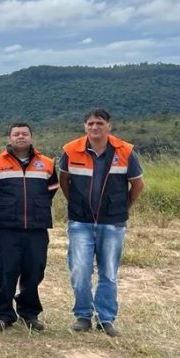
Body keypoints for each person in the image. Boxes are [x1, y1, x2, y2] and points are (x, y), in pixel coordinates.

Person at [59, 109, 144, 337]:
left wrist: (122, 208)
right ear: (84, 126)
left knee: (108, 272)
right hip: (80, 222)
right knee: (79, 270)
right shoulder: (70, 150)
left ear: (109, 126)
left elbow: (137, 185)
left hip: (112, 223)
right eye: (90, 124)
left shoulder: (125, 152)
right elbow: (64, 181)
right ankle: (83, 316)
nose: (94, 127)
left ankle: (105, 319)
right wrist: (76, 204)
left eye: (99, 123)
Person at [0, 123, 58, 332]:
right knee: (6, 272)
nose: (20, 137)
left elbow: (51, 190)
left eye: (25, 133)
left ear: (31, 137)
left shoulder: (48, 164)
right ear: (9, 138)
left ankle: (29, 313)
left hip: (37, 228)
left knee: (34, 271)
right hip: (8, 228)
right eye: (16, 134)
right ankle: (4, 314)